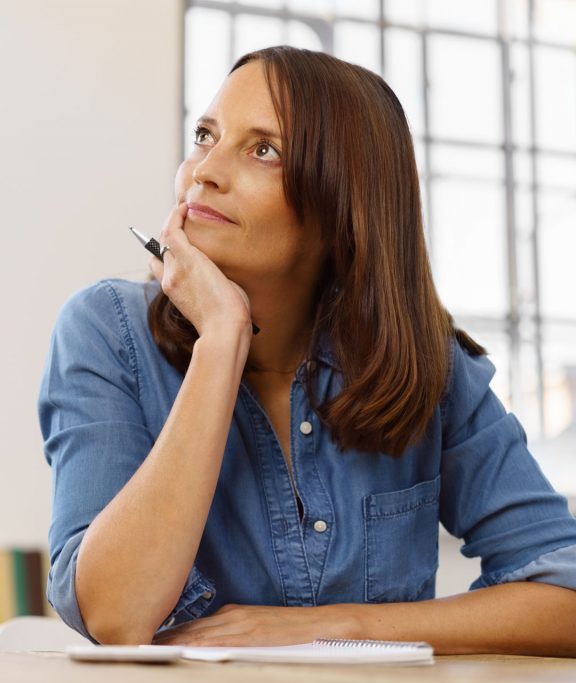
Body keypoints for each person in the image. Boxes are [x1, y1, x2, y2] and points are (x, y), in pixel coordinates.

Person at [37, 46, 576, 655]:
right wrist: (221, 339)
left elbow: (566, 597)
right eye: (204, 136)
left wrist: (339, 628)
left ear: (345, 203)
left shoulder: (427, 363)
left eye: (263, 150)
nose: (202, 172)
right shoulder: (106, 331)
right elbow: (115, 615)